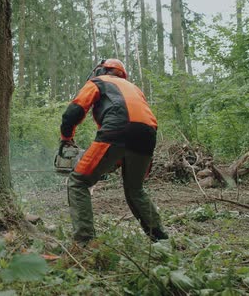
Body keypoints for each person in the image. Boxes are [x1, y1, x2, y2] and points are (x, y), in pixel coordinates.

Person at [59, 58, 168, 243]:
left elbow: (75, 111)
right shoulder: (134, 89)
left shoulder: (98, 82)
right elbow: (138, 121)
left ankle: (84, 242)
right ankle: (161, 239)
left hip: (116, 129)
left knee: (78, 182)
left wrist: (66, 137)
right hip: (147, 134)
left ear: (102, 71)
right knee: (135, 190)